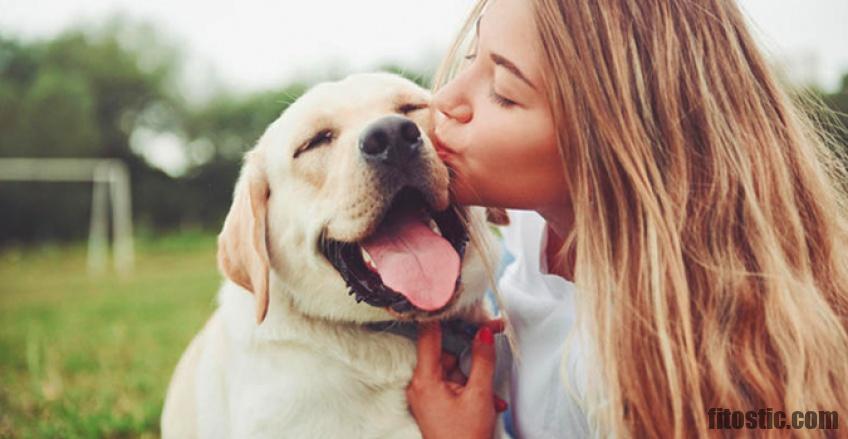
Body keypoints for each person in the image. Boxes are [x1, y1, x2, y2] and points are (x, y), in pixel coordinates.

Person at [405, 0, 848, 437]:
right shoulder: (537, 223)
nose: (444, 99)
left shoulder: (639, 378)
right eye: (471, 55)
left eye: (503, 91)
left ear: (612, 143)